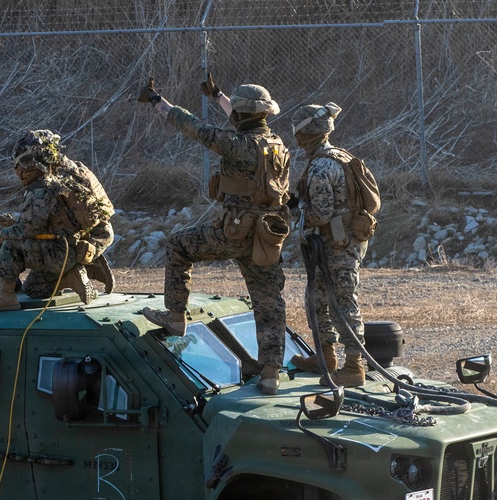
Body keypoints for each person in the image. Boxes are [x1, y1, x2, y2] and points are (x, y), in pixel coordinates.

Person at [136, 74, 291, 395]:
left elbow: (193, 127)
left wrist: (156, 101)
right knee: (269, 302)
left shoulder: (236, 145)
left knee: (178, 245)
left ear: (242, 114)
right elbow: (241, 121)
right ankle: (271, 372)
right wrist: (218, 95)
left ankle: (175, 316)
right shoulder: (276, 145)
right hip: (266, 237)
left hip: (233, 232)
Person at [0, 130, 116, 313]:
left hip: (58, 253)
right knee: (33, 288)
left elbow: (28, 229)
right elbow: (96, 222)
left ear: (29, 163)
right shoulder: (75, 173)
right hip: (75, 250)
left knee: (10, 244)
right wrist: (93, 248)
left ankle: (6, 296)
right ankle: (71, 275)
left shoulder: (41, 188)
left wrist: (4, 234)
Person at [288, 103, 368, 386]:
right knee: (317, 299)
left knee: (342, 303)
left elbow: (320, 214)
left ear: (305, 132)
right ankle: (326, 356)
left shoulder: (321, 166)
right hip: (336, 244)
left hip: (337, 246)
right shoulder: (340, 156)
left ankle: (354, 367)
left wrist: (294, 209)